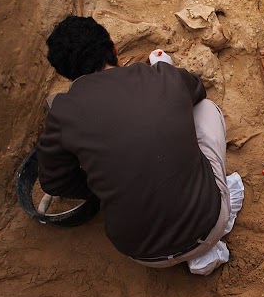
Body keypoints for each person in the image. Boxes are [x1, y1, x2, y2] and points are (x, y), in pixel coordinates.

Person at [37, 15, 242, 274]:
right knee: (206, 109)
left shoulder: (62, 112)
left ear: (66, 74)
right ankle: (205, 246)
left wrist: (103, 182)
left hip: (140, 253)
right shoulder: (159, 75)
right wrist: (165, 75)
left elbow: (53, 182)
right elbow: (197, 91)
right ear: (113, 49)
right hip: (208, 227)